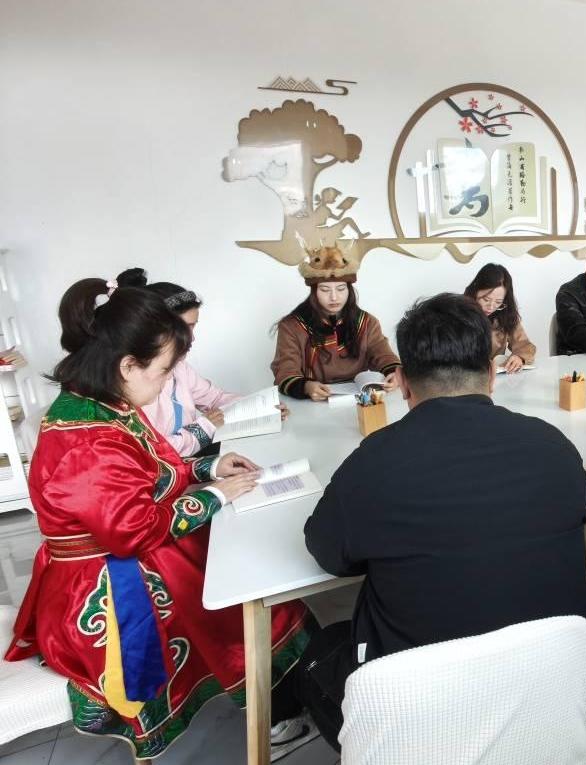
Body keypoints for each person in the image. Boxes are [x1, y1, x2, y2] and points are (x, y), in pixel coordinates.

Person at [4, 278, 314, 760]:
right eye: (164, 371)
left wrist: (206, 468)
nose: (168, 382)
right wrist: (214, 496)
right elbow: (133, 530)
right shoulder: (86, 436)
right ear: (128, 364)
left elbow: (148, 471)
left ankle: (282, 701)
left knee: (248, 580)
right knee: (246, 603)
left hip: (125, 554)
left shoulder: (105, 403)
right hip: (106, 583)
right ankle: (278, 713)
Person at [300, 293, 586, 750]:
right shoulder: (555, 448)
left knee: (318, 656)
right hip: (561, 701)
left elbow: (329, 554)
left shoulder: (374, 464)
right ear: (491, 375)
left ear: (404, 384)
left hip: (422, 724)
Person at [115, 268, 288, 457]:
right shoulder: (135, 382)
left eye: (193, 327)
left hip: (189, 460)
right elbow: (153, 452)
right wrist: (204, 426)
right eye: (184, 328)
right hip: (171, 467)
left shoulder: (180, 368)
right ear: (154, 328)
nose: (191, 338)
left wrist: (260, 409)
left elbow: (214, 399)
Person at [272, 275, 401, 402]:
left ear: (349, 289)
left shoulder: (367, 322)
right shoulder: (292, 326)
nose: (334, 297)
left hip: (359, 399)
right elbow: (285, 371)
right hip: (312, 402)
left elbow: (383, 355)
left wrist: (395, 375)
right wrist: (306, 387)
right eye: (325, 290)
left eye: (341, 289)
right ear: (314, 291)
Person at [463, 263, 536, 373]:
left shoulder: (506, 315)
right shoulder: (458, 312)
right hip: (463, 377)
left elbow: (524, 345)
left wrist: (519, 357)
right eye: (486, 299)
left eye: (498, 302)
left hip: (496, 377)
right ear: (475, 291)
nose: (491, 307)